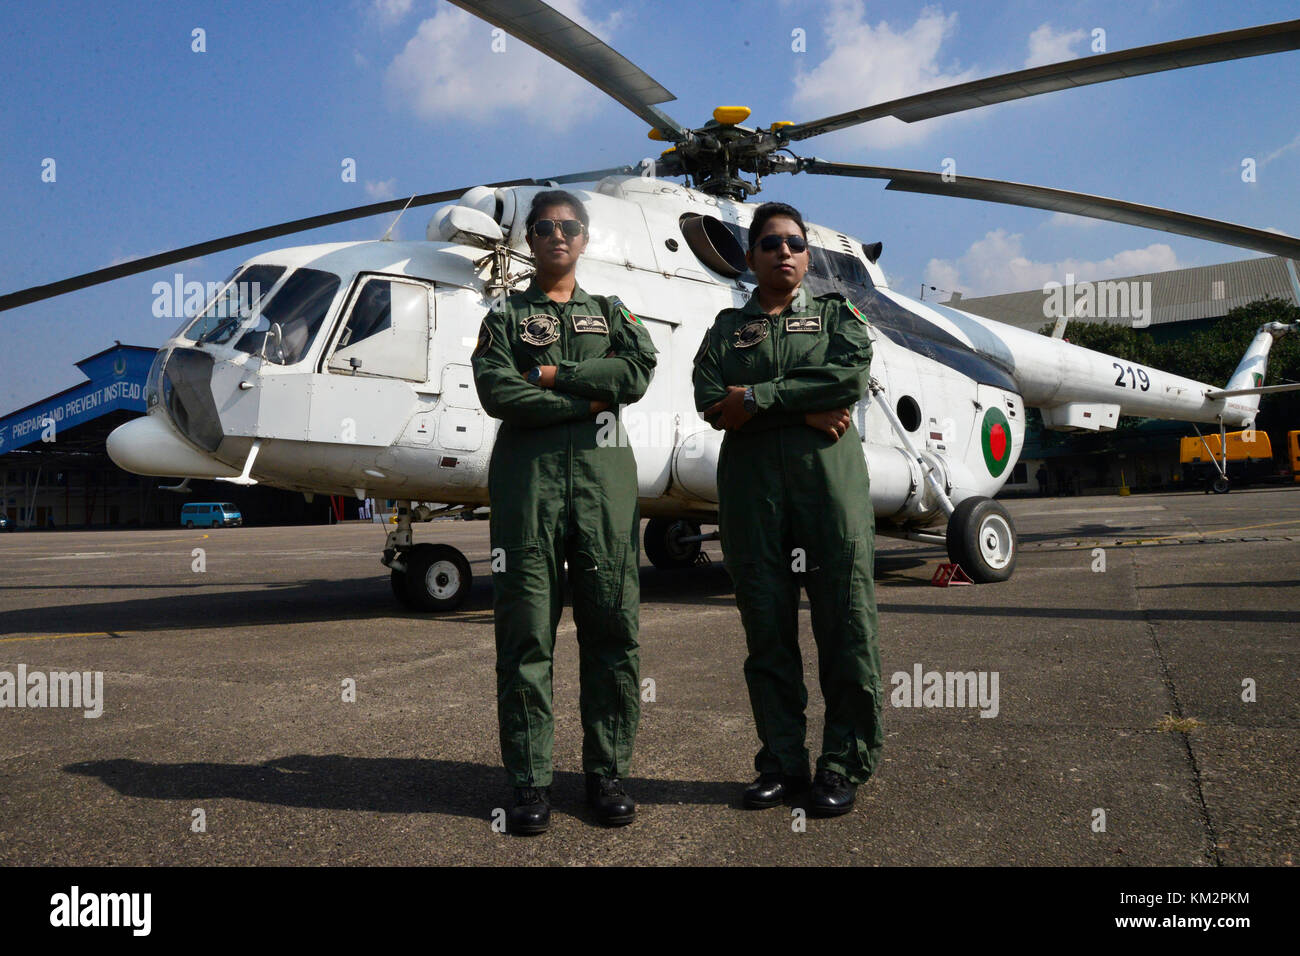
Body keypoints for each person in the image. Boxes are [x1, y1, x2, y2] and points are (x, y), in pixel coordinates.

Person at [472, 189, 657, 835]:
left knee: (612, 628)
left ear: (584, 237)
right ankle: (529, 781)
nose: (557, 235)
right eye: (545, 226)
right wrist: (583, 401)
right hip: (530, 490)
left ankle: (607, 773)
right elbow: (498, 389)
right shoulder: (504, 317)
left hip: (604, 489)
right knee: (526, 633)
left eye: (569, 226)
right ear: (529, 238)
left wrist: (549, 378)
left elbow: (636, 373)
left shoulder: (611, 311)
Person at [692, 201, 882, 817]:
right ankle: (780, 761)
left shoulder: (835, 317)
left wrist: (759, 398)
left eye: (795, 243)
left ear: (807, 254)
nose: (784, 252)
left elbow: (848, 377)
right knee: (767, 637)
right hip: (754, 503)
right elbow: (708, 398)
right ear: (750, 258)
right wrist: (801, 410)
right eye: (770, 243)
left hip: (828, 498)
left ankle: (843, 763)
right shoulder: (725, 328)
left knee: (846, 629)